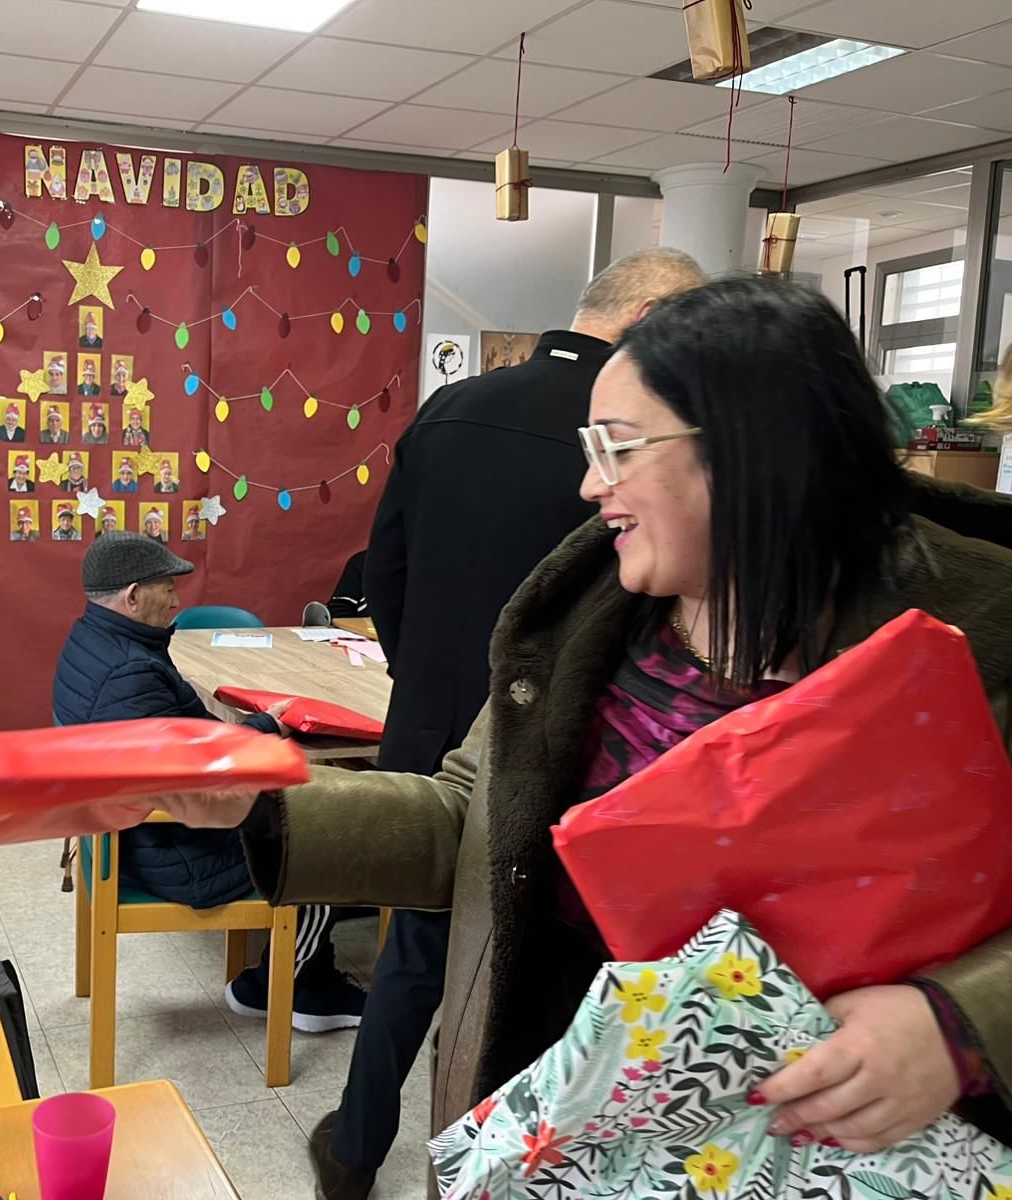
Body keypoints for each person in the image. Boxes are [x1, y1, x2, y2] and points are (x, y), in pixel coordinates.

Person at [152, 277, 1012, 1169]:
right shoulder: (583, 615)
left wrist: (957, 1022)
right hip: (585, 1126)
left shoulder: (985, 628)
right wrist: (262, 800)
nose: (588, 483)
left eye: (618, 448)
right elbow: (469, 819)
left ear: (754, 451)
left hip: (865, 1154)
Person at [312, 248, 708, 1197]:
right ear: (650, 316)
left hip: (433, 713)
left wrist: (422, 675)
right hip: (568, 741)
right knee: (532, 970)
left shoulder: (449, 409)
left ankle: (359, 1147)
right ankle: (492, 1158)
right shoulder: (637, 447)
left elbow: (386, 571)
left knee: (417, 946)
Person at [52, 534, 365, 1032]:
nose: (178, 600)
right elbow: (195, 775)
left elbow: (179, 746)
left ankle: (294, 966)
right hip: (171, 850)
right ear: (132, 595)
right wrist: (269, 729)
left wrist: (252, 730)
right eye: (167, 589)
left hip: (129, 833)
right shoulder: (130, 671)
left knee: (303, 806)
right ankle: (292, 991)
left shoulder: (92, 641)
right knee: (321, 840)